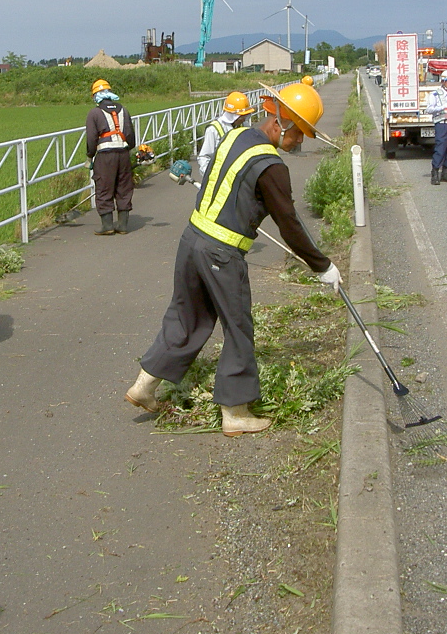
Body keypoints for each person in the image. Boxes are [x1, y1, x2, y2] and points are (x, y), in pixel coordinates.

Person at [124, 82, 342, 437]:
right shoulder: (272, 167)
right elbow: (290, 223)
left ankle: (144, 386)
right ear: (281, 122)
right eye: (300, 133)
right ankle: (235, 411)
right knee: (238, 328)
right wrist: (322, 265)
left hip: (192, 240)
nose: (301, 142)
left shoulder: (232, 137)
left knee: (186, 316)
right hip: (221, 253)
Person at [85, 79, 136, 235]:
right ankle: (123, 225)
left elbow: (91, 138)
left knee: (104, 187)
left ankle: (107, 226)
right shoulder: (123, 110)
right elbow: (130, 135)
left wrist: (90, 157)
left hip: (105, 155)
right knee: (124, 188)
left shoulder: (94, 113)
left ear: (95, 95)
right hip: (123, 153)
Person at [196, 91, 254, 180]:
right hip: (220, 179)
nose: (244, 118)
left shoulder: (245, 126)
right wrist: (211, 178)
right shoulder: (214, 129)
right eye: (242, 116)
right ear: (234, 116)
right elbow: (204, 157)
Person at [425, 69, 447, 186]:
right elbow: (429, 109)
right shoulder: (435, 94)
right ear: (443, 81)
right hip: (442, 124)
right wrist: (442, 107)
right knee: (441, 149)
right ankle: (435, 173)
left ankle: (446, 172)